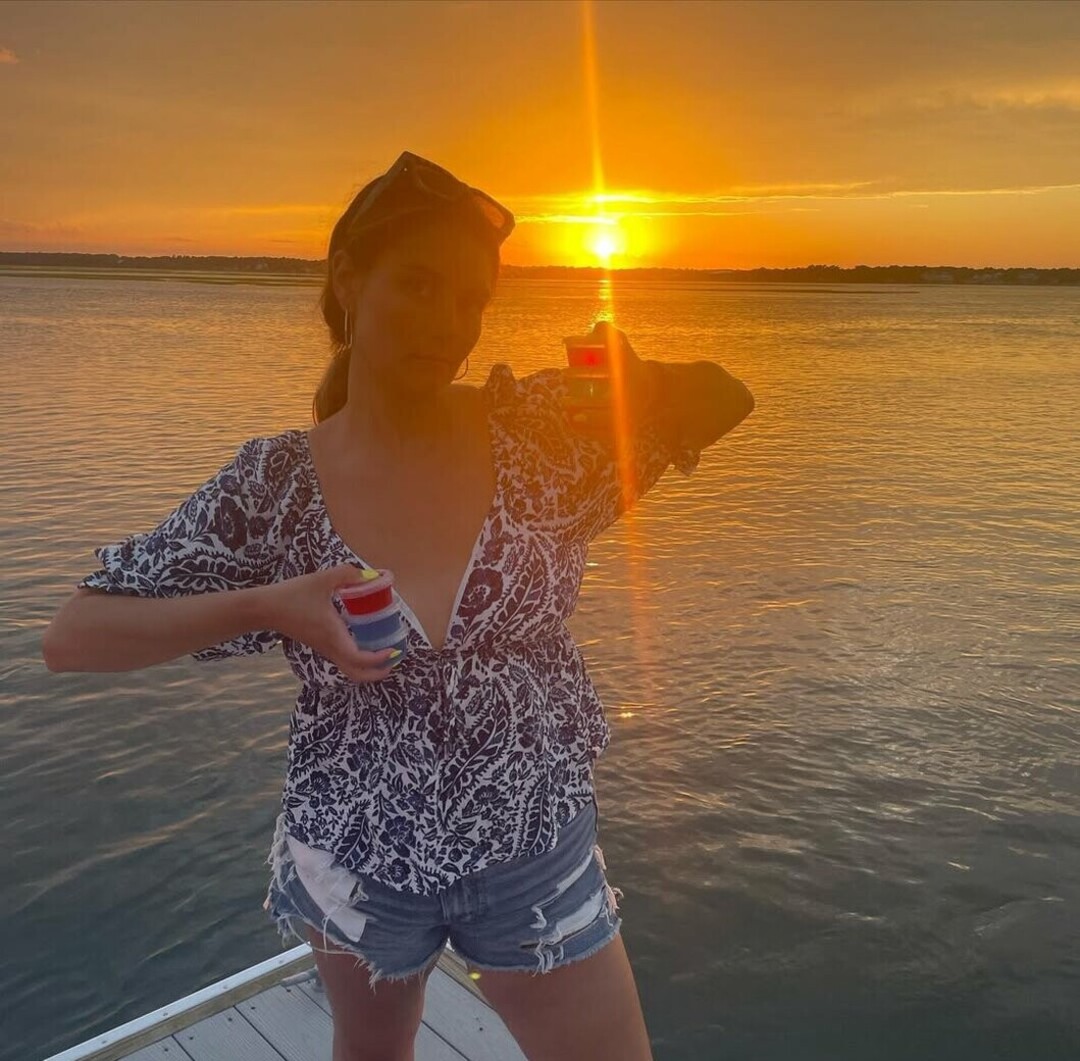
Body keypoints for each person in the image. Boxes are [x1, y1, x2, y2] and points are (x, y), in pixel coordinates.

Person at [42, 150, 754, 1061]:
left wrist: (630, 377)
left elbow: (726, 398)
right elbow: (75, 636)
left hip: (530, 841)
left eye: (470, 300)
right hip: (355, 854)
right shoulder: (275, 484)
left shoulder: (536, 432)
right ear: (349, 279)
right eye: (419, 285)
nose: (449, 324)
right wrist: (272, 605)